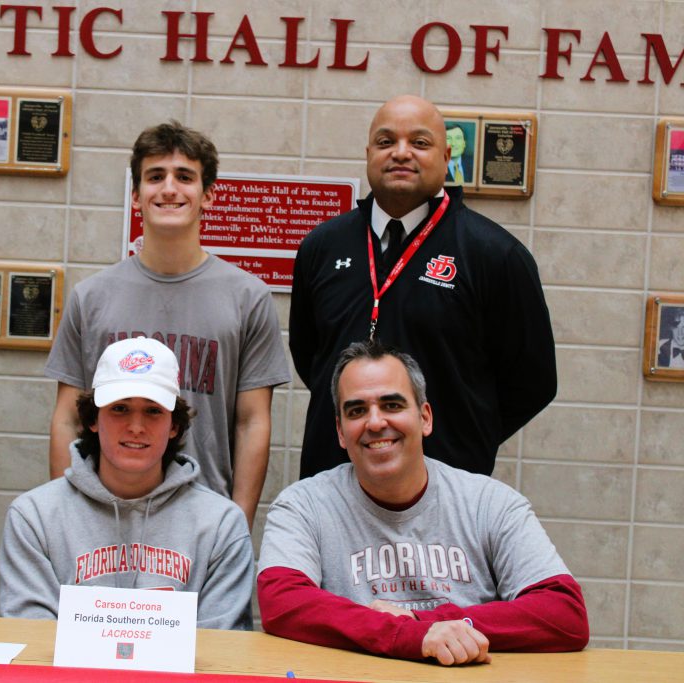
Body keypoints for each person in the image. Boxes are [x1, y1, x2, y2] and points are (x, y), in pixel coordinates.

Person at [257, 341, 588, 665]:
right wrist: (408, 635)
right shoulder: (303, 506)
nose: (374, 423)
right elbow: (282, 601)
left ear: (425, 417)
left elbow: (564, 613)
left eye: (392, 405)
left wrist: (427, 621)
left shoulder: (491, 503)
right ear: (341, 432)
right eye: (357, 410)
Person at [290, 95, 556, 479]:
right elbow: (311, 357)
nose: (401, 153)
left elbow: (534, 382)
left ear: (446, 155)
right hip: (333, 481)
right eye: (386, 142)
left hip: (446, 486)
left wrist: (464, 433)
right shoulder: (321, 246)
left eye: (419, 142)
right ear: (368, 153)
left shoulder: (495, 255)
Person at [45, 121, 291, 528]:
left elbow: (252, 422)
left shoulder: (248, 297)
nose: (169, 188)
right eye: (155, 176)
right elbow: (67, 418)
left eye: (185, 177)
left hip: (204, 518)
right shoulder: (92, 297)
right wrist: (65, 518)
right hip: (102, 514)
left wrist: (237, 524)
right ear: (136, 196)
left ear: (208, 195)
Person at [0, 337, 254, 630]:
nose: (136, 426)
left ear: (174, 426)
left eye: (153, 410)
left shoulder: (221, 524)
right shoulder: (34, 516)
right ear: (93, 419)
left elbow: (220, 652)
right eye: (119, 408)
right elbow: (33, 640)